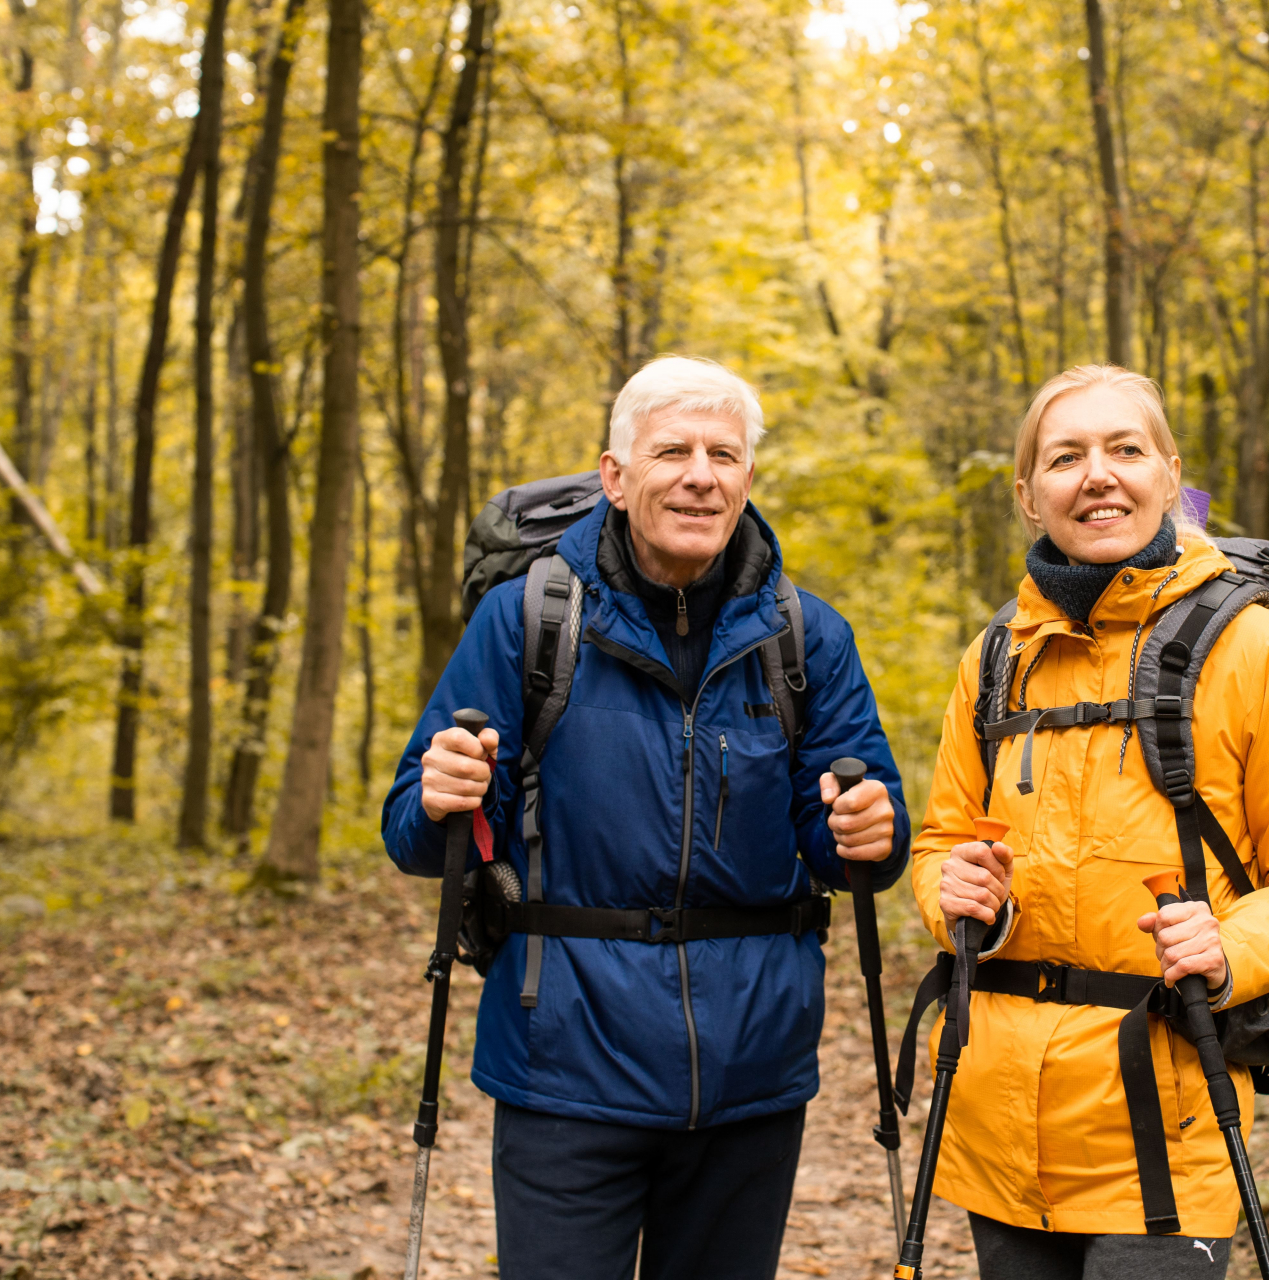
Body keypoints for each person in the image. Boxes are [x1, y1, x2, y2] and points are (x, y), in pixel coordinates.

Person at [382, 355, 911, 1280]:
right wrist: (440, 798)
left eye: (724, 454)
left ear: (748, 478)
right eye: (673, 450)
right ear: (616, 477)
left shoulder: (806, 636)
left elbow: (854, 837)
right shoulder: (526, 622)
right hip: (564, 1070)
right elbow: (417, 834)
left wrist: (870, 832)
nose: (701, 475)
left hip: (749, 1076)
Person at [909, 365, 1269, 1278]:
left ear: (1169, 474)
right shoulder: (995, 657)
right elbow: (940, 844)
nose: (1097, 475)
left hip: (1168, 1115)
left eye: (1125, 449)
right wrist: (960, 897)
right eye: (1066, 456)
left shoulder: (1259, 648)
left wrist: (1230, 947)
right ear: (1030, 496)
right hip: (999, 1123)